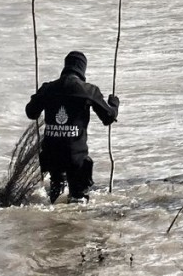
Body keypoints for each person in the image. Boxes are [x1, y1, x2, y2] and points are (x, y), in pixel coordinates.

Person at [25, 51, 120, 203]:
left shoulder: (48, 89)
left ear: (65, 66)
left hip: (51, 155)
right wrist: (114, 104)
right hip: (75, 156)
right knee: (77, 202)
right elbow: (109, 117)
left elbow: (31, 112)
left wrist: (37, 97)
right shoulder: (89, 91)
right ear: (83, 69)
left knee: (55, 199)